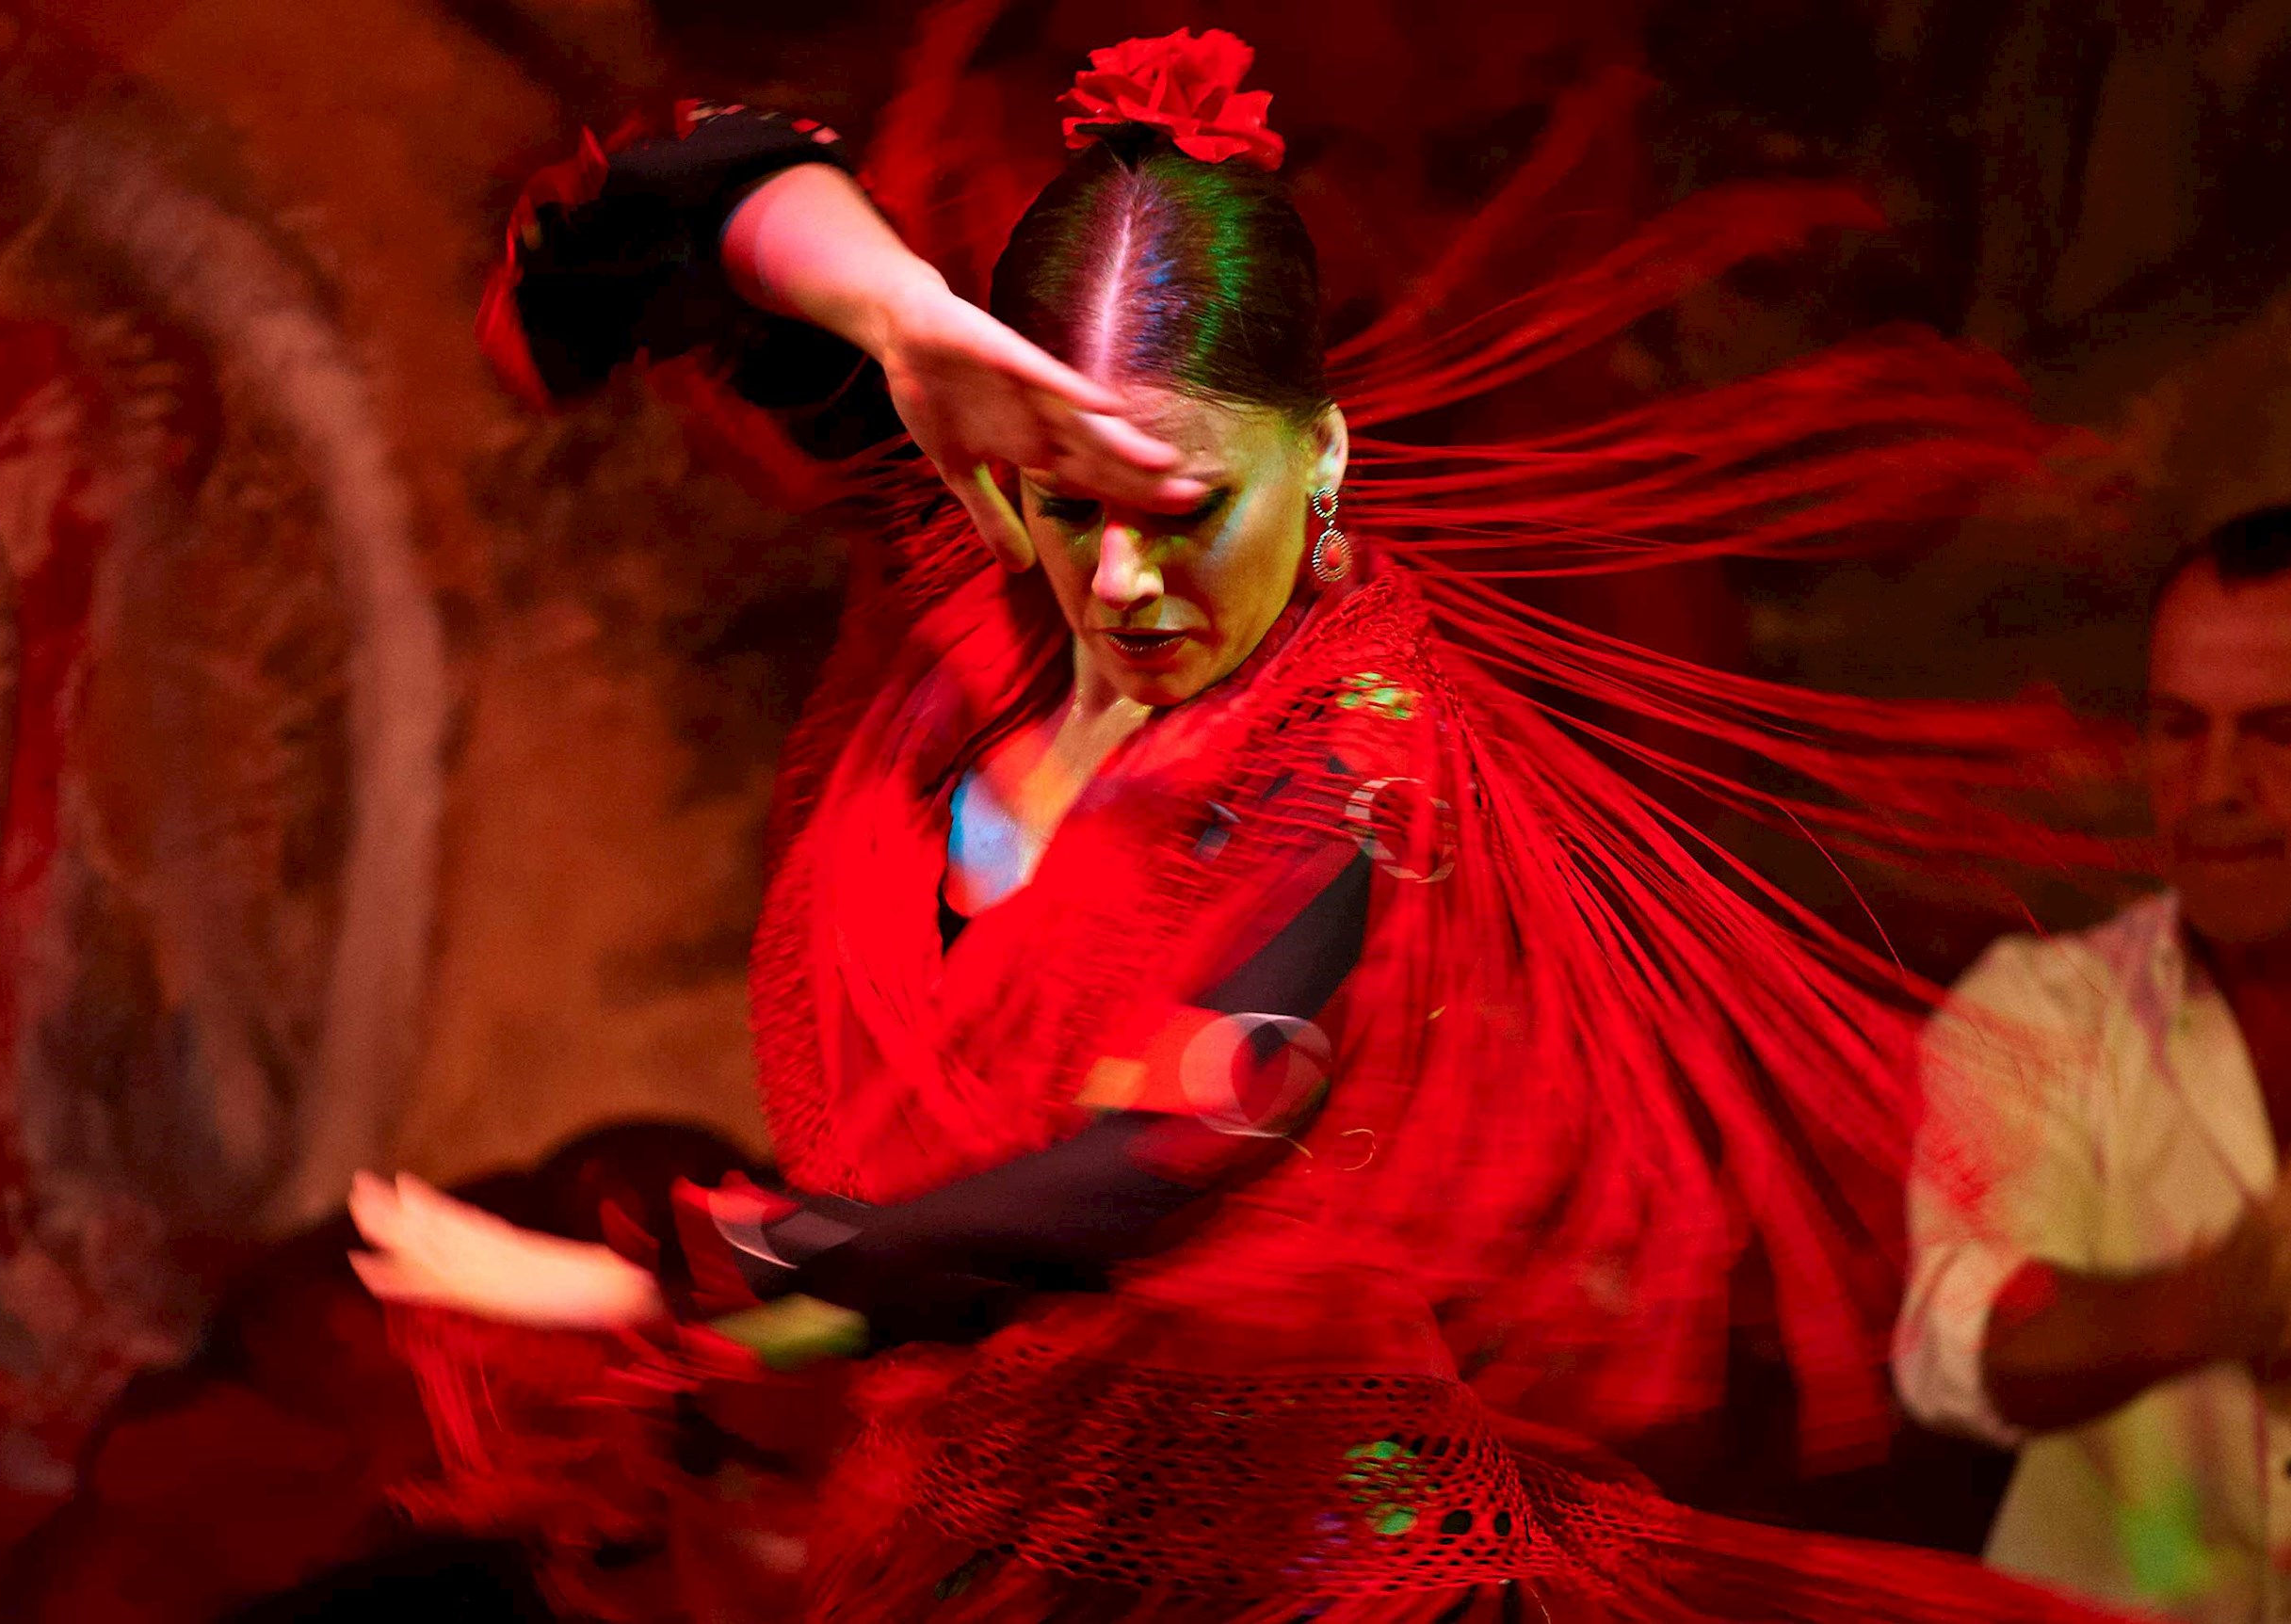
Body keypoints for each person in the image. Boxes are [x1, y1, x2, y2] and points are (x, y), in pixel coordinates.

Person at [349, 24, 2121, 1623]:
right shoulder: (966, 577)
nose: (1119, 577)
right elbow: (664, 204)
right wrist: (895, 314)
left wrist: (661, 1286)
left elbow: (1153, 1163)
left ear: (1324, 460)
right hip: (954, 1552)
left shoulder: (1355, 745)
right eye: (1066, 498)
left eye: (1184, 504)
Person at [1898, 505, 2291, 1622]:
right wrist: (2202, 1311)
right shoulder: (2041, 1012)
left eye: (2278, 731)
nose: (2215, 785)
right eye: (2180, 727)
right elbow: (1954, 1336)